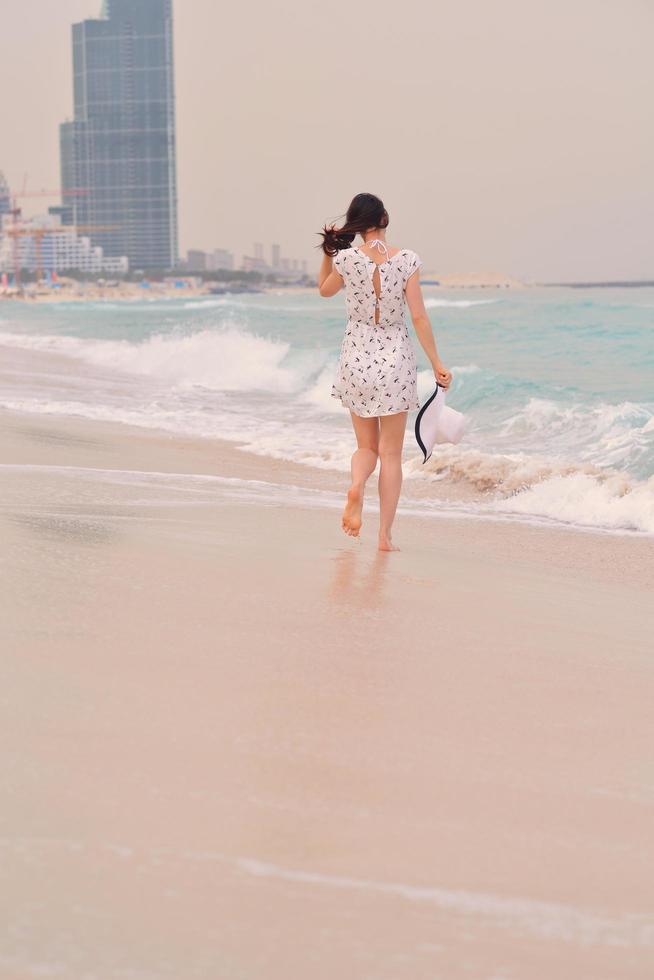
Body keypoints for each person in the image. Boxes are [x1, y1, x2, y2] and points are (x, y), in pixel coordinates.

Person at [317, 192, 452, 552]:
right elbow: (419, 316)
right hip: (394, 359)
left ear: (357, 225)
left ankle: (357, 485)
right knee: (391, 454)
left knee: (366, 448)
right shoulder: (406, 260)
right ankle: (384, 537)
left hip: (356, 357)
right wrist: (437, 362)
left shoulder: (346, 260)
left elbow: (324, 291)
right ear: (385, 219)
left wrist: (329, 254)